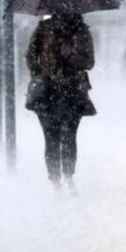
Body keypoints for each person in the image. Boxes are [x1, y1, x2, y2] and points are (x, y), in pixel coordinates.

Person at [26, 14, 96, 190]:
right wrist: (42, 73)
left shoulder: (81, 31)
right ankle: (56, 180)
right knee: (52, 137)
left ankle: (68, 176)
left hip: (72, 91)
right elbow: (31, 57)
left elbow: (89, 62)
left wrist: (70, 55)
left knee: (69, 136)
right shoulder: (43, 29)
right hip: (47, 92)